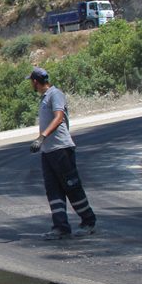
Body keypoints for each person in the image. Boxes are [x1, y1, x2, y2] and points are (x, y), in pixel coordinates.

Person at [28, 67, 97, 240]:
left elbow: (59, 118)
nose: (31, 84)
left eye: (31, 81)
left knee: (71, 186)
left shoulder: (55, 94)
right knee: (53, 190)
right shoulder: (44, 98)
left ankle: (88, 222)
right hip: (48, 151)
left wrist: (41, 137)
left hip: (61, 149)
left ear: (35, 81)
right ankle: (60, 227)